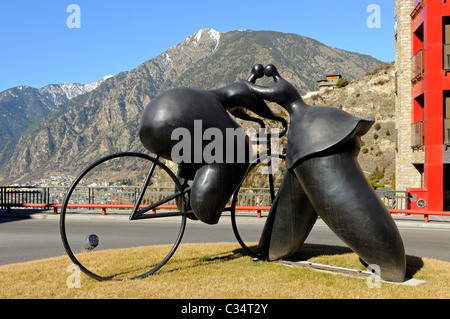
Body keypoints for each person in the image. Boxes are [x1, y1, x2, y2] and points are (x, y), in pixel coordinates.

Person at [241, 65, 406, 282]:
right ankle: (269, 250)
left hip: (314, 137)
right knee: (273, 242)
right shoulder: (295, 101)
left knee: (339, 200)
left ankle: (389, 263)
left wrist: (245, 85)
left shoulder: (294, 105)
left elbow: (262, 93)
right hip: (313, 134)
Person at [138, 65, 283, 225]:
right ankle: (207, 208)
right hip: (176, 121)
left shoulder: (216, 98)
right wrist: (278, 120)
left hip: (150, 125)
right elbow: (254, 103)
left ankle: (188, 202)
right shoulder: (239, 88)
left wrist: (256, 121)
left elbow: (239, 110)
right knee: (239, 146)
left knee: (195, 156)